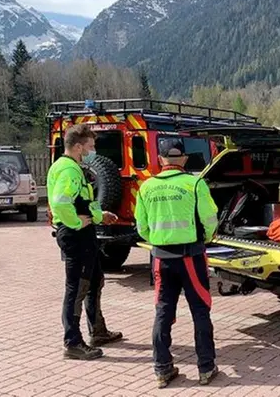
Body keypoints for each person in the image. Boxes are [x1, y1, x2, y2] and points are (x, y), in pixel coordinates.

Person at [134, 139, 220, 388]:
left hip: (162, 258)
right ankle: (206, 368)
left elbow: (142, 227)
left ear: (160, 159)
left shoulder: (146, 187)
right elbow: (210, 219)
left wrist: (159, 241)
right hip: (191, 257)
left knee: (163, 311)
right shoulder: (195, 184)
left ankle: (162, 369)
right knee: (200, 310)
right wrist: (205, 239)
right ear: (184, 158)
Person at [47, 123, 123, 360]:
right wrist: (76, 223)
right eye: (90, 146)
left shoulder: (72, 168)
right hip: (76, 235)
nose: (93, 151)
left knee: (94, 281)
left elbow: (82, 203)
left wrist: (100, 216)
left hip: (84, 234)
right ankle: (72, 342)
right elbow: (60, 203)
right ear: (78, 147)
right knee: (77, 288)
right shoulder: (69, 170)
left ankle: (98, 331)